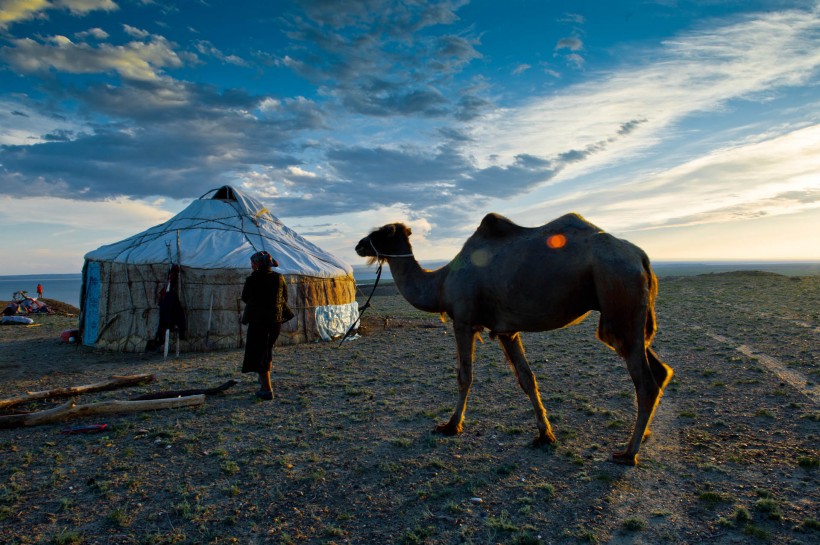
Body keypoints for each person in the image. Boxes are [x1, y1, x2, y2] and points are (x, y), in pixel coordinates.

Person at [241, 250, 288, 400]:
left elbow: (245, 297)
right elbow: (285, 297)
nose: (251, 265)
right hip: (275, 322)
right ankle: (263, 381)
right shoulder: (279, 278)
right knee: (266, 351)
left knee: (261, 354)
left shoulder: (253, 279)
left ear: (258, 264)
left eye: (253, 263)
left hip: (259, 323)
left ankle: (267, 390)